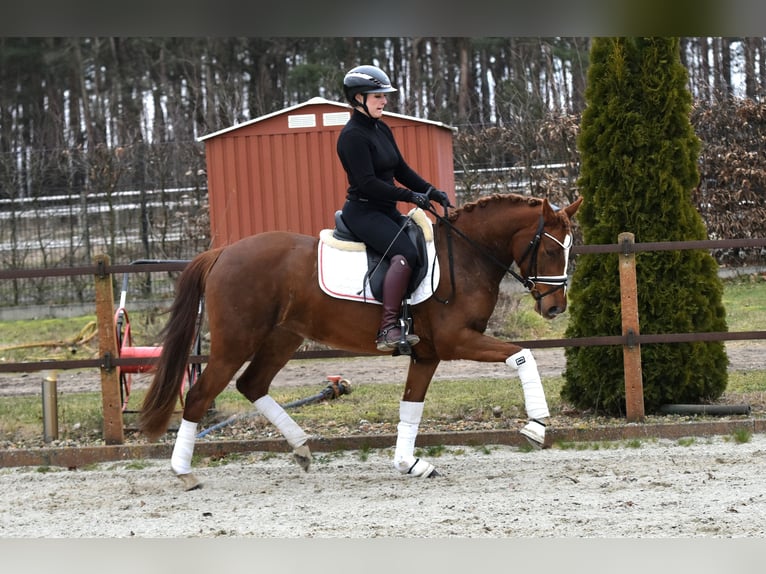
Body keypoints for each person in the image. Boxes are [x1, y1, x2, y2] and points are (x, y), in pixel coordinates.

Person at [337, 64, 450, 352]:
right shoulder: (352, 137)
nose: (384, 101)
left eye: (384, 96)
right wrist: (412, 197)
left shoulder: (381, 128)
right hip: (363, 211)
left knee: (423, 244)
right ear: (358, 98)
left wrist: (431, 191)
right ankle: (387, 327)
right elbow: (368, 184)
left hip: (385, 210)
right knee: (406, 252)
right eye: (378, 96)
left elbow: (401, 169)